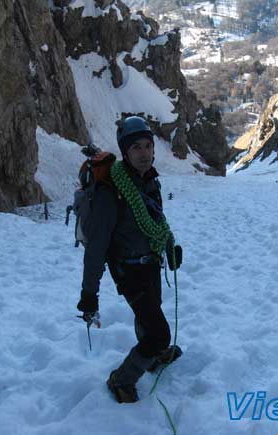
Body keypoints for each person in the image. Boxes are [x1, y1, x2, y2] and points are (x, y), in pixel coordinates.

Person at [76, 116, 182, 403]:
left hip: (149, 263)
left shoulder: (148, 180)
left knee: (151, 313)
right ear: (125, 151)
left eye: (148, 146)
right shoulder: (113, 191)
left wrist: (170, 244)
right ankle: (121, 379)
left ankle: (155, 354)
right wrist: (89, 294)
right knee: (158, 333)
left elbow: (157, 220)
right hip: (128, 270)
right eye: (136, 147)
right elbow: (96, 248)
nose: (144, 153)